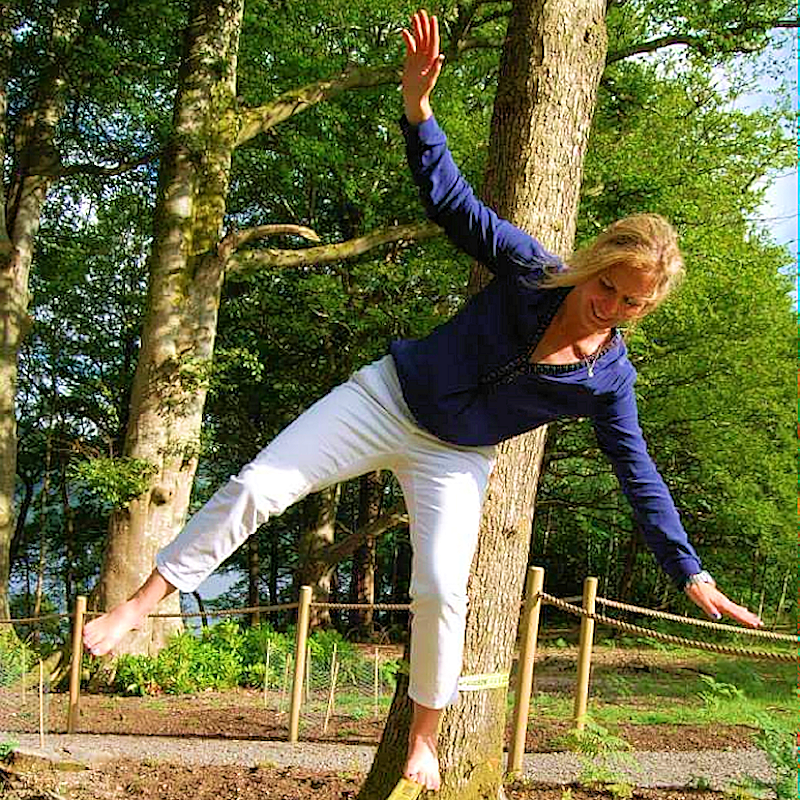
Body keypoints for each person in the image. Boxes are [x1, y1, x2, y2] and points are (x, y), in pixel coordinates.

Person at [84, 9, 763, 792]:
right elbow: (453, 204)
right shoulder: (534, 271)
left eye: (631, 303)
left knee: (442, 587)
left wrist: (689, 569)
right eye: (606, 285)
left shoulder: (610, 380)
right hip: (384, 398)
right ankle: (140, 605)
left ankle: (424, 741)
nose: (609, 305)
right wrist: (419, 109)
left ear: (648, 308)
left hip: (456, 456)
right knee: (260, 486)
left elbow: (637, 472)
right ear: (593, 265)